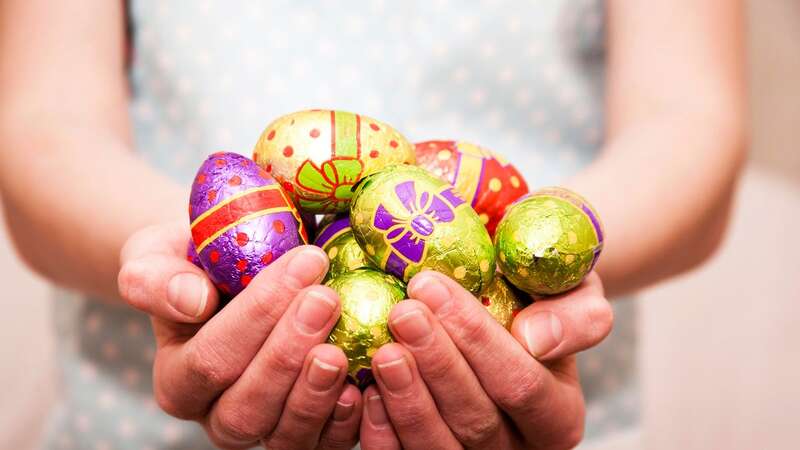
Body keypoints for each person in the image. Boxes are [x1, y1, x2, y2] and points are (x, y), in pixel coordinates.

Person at [0, 0, 745, 449]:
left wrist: (540, 275)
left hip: (528, 394)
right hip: (144, 414)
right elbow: (45, 125)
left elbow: (688, 120)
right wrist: (191, 260)